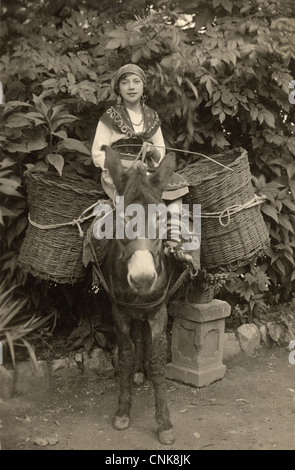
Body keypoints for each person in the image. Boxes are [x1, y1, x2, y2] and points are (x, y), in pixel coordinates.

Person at [92, 63, 199, 266]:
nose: (131, 87)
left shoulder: (152, 117)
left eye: (136, 82)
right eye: (125, 83)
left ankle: (174, 239)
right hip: (120, 174)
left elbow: (161, 153)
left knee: (176, 184)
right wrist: (122, 168)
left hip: (148, 171)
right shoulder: (110, 117)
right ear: (119, 89)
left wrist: (152, 151)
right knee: (135, 195)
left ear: (143, 87)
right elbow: (98, 151)